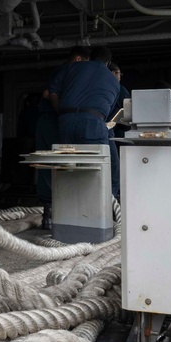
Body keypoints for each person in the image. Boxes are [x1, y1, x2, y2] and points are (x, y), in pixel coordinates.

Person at [34, 46, 90, 230]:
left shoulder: (63, 72)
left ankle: (51, 213)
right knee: (58, 164)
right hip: (54, 121)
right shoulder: (68, 71)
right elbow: (51, 95)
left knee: (50, 165)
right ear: (79, 59)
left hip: (51, 121)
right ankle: (55, 211)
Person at [50, 44, 120, 155]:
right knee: (96, 166)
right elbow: (109, 111)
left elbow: (53, 93)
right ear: (109, 63)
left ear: (91, 57)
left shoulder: (71, 67)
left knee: (67, 165)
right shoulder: (114, 81)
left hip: (66, 120)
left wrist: (62, 113)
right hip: (93, 122)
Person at [106, 61, 131, 201]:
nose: (118, 76)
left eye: (119, 73)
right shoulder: (119, 89)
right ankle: (115, 202)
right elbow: (129, 110)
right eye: (115, 72)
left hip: (114, 131)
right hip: (116, 133)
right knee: (116, 171)